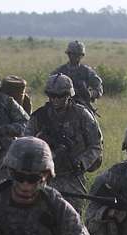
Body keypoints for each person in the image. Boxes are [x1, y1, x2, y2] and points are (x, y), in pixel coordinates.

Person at [24, 74, 103, 213]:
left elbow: (96, 145)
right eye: (51, 95)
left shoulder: (82, 115)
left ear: (68, 95)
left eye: (59, 96)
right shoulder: (39, 117)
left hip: (72, 178)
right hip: (44, 178)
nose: (54, 99)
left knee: (73, 221)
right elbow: (25, 144)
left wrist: (81, 162)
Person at [52, 41, 104, 114]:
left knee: (93, 123)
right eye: (73, 54)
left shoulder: (87, 72)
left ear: (82, 56)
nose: (75, 57)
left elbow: (99, 89)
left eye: (78, 55)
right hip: (60, 108)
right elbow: (49, 88)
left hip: (83, 108)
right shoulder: (60, 71)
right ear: (69, 54)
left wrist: (90, 94)